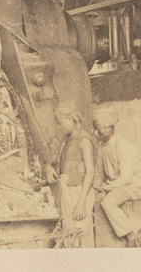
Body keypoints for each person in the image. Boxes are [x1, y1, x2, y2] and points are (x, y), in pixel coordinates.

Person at [45, 101, 96, 248]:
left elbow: (90, 171)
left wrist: (81, 203)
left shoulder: (84, 140)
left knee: (80, 234)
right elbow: (52, 161)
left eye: (61, 123)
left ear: (72, 119)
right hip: (68, 192)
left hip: (80, 192)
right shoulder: (66, 140)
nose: (59, 127)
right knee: (69, 234)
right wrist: (48, 168)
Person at [93, 107, 141, 247]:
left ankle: (130, 235)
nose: (95, 133)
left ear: (111, 128)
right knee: (92, 198)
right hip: (114, 185)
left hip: (130, 186)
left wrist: (106, 188)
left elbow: (126, 179)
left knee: (108, 202)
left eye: (99, 129)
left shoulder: (123, 146)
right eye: (95, 129)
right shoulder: (101, 145)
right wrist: (95, 188)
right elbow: (99, 173)